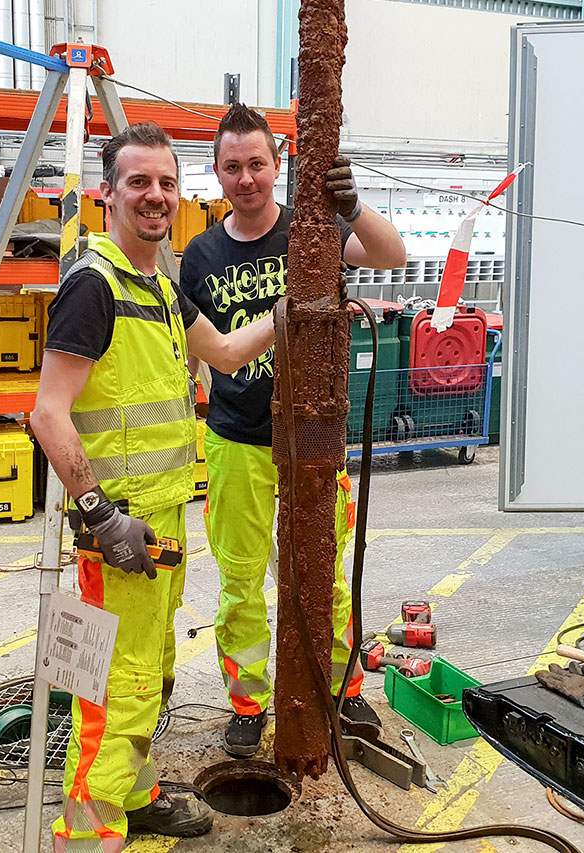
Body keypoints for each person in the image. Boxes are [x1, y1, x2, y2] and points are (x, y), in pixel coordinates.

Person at [31, 121, 277, 851]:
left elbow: (229, 352)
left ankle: (133, 795)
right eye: (139, 182)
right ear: (107, 194)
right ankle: (88, 832)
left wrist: (288, 312)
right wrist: (101, 516)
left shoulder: (163, 290)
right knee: (119, 684)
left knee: (152, 671)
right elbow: (48, 413)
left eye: (167, 183)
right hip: (121, 533)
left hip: (163, 523)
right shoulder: (93, 285)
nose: (155, 196)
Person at [180, 103, 408, 758]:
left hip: (313, 439)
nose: (247, 177)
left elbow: (392, 253)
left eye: (257, 163)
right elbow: (205, 350)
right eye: (233, 166)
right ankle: (249, 701)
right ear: (218, 174)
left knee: (324, 572)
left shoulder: (312, 230)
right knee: (241, 579)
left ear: (276, 166)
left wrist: (353, 205)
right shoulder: (201, 255)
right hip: (236, 439)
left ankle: (342, 687)